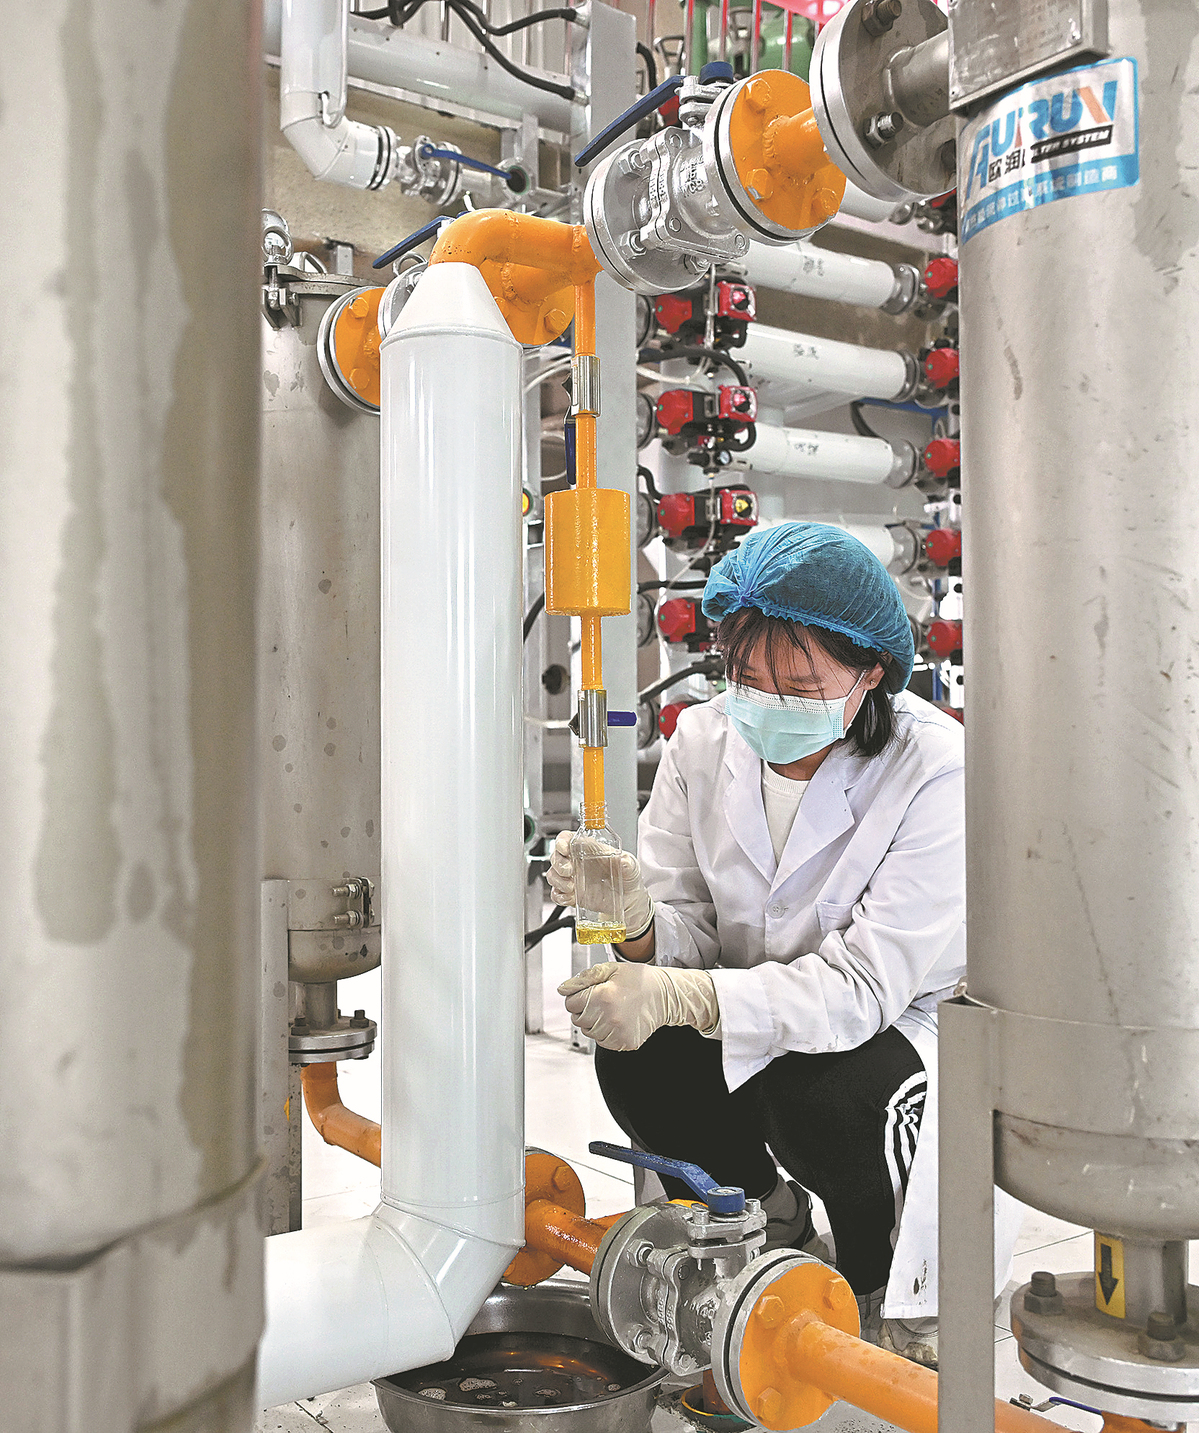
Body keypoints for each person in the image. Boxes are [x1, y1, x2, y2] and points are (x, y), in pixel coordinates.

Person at [550, 521, 1020, 1368]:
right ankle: (767, 1218)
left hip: (907, 1020)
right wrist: (638, 923)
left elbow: (862, 988)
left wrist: (686, 994)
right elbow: (696, 928)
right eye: (745, 678)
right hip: (755, 993)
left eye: (799, 685)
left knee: (822, 1096)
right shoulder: (702, 741)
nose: (765, 702)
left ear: (870, 671)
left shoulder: (937, 769)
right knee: (637, 1057)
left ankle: (881, 1281)